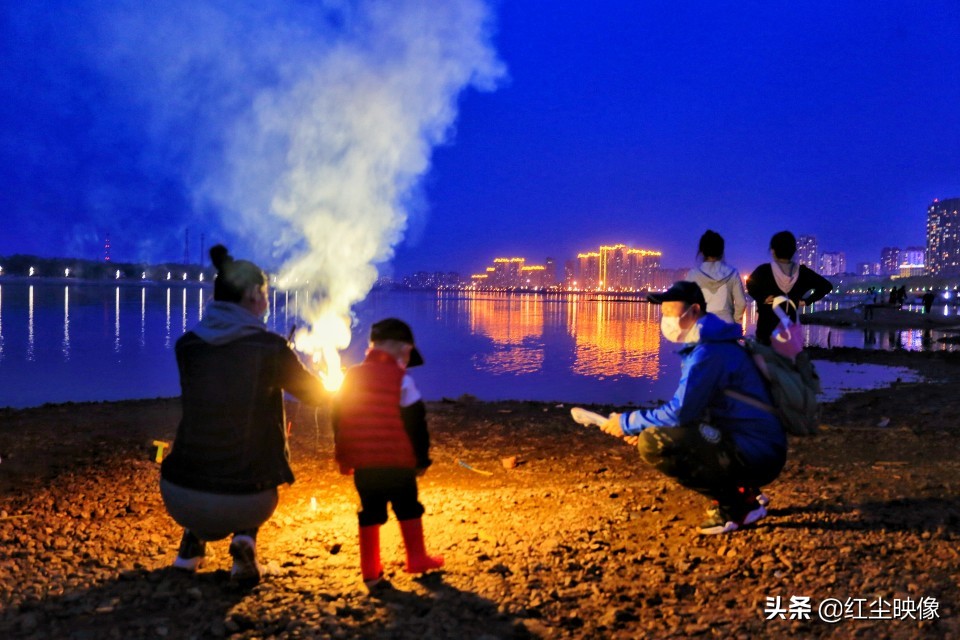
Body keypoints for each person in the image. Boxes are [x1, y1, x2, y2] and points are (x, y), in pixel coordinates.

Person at [160, 245, 327, 585]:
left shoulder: (187, 346)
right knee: (250, 452)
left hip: (178, 492)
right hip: (245, 499)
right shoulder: (270, 348)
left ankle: (191, 546)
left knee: (208, 438)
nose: (267, 303)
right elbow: (314, 395)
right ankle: (244, 542)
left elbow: (223, 385)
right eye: (265, 294)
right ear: (253, 294)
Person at [598, 281, 787, 534]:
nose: (665, 320)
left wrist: (625, 423)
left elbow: (679, 411)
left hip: (759, 452)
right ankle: (745, 491)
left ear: (694, 310)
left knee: (654, 443)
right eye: (662, 313)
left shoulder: (709, 352)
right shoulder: (714, 343)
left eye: (670, 313)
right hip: (759, 444)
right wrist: (645, 427)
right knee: (657, 433)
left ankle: (738, 506)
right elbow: (694, 413)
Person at [333, 318, 443, 587]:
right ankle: (416, 558)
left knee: (369, 512)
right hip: (397, 463)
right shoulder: (402, 380)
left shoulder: (350, 376)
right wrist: (421, 459)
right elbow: (416, 424)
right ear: (397, 347)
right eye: (406, 353)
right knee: (408, 507)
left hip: (364, 465)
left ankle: (370, 571)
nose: (406, 360)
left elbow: (339, 420)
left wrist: (345, 457)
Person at [746, 231, 833, 345]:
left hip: (766, 330)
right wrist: (806, 301)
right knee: (789, 359)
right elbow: (826, 286)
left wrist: (762, 298)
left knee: (765, 359)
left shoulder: (763, 271)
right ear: (793, 252)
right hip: (790, 330)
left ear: (772, 251)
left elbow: (750, 284)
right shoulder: (802, 272)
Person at [686, 230, 747, 325]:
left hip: (702, 328)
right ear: (722, 251)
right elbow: (741, 302)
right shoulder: (732, 273)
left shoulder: (693, 275)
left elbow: (685, 304)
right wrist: (735, 321)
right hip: (726, 326)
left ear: (702, 251)